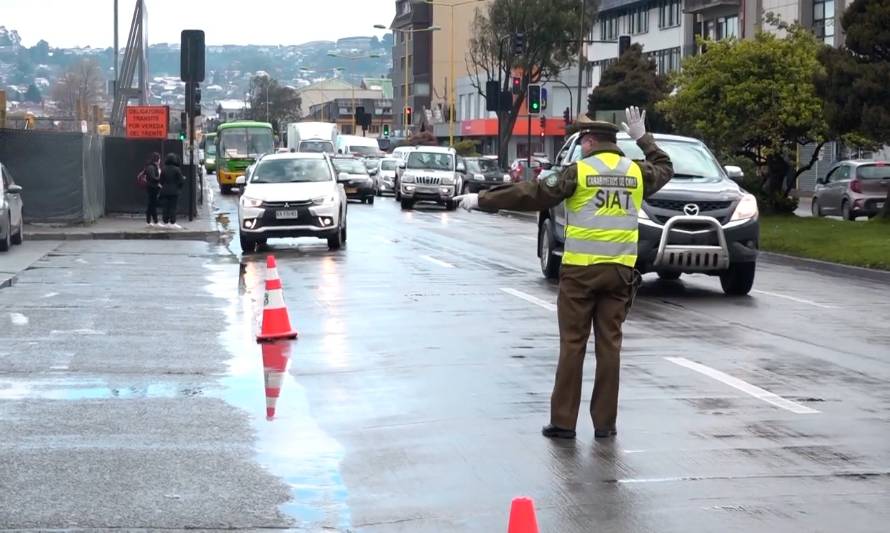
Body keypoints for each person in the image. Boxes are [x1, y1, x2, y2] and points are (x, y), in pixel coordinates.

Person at [452, 107, 673, 439]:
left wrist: (482, 199)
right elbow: (666, 167)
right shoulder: (636, 173)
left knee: (573, 344)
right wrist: (643, 138)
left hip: (581, 274)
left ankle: (564, 422)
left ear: (589, 141)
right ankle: (605, 424)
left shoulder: (578, 172)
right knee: (609, 347)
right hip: (620, 273)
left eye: (583, 140)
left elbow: (532, 193)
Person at [159, 152, 185, 229]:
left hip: (165, 191)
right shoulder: (177, 169)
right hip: (174, 191)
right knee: (173, 207)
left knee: (165, 207)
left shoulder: (163, 169)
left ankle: (165, 221)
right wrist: (179, 187)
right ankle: (172, 222)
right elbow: (181, 181)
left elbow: (161, 181)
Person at [144, 152, 162, 227]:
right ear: (157, 159)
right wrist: (160, 179)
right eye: (159, 159)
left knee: (151, 204)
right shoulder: (151, 167)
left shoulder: (152, 166)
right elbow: (153, 178)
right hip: (152, 187)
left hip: (152, 187)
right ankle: (154, 221)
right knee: (152, 204)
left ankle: (149, 221)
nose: (160, 160)